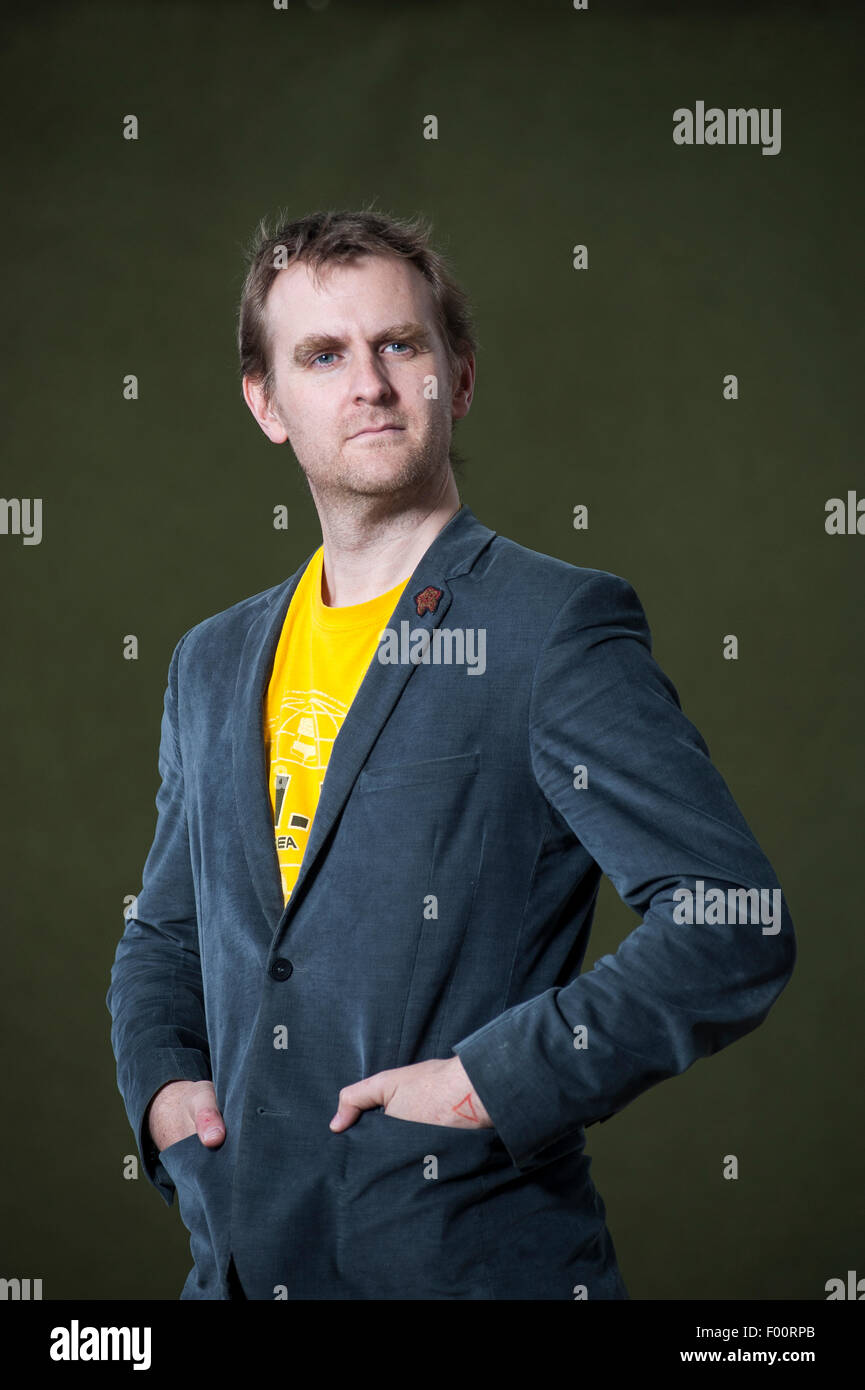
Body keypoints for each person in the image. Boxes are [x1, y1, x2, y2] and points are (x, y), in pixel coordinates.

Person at [106, 206, 796, 1301]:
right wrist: (163, 1094)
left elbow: (733, 919)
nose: (368, 383)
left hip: (466, 1268)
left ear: (457, 378)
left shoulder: (551, 628)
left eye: (401, 345)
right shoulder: (209, 659)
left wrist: (492, 1081)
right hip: (236, 1269)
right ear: (267, 404)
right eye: (323, 356)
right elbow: (164, 933)